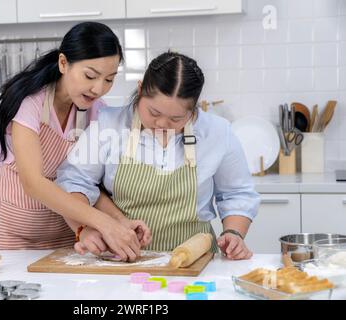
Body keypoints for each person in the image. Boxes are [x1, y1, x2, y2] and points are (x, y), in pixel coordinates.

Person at [56, 51, 261, 260]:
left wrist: (233, 233)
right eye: (153, 113)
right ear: (140, 90)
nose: (162, 124)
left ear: (193, 111)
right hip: (122, 260)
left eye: (176, 118)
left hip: (196, 264)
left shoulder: (217, 132)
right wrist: (84, 228)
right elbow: (73, 182)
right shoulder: (108, 124)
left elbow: (237, 194)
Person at [0, 21, 150, 262]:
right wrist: (103, 223)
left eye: (109, 79)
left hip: (67, 230)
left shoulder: (95, 111)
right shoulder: (30, 102)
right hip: (12, 231)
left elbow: (85, 182)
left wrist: (121, 223)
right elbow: (34, 183)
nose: (98, 88)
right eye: (90, 75)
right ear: (63, 63)